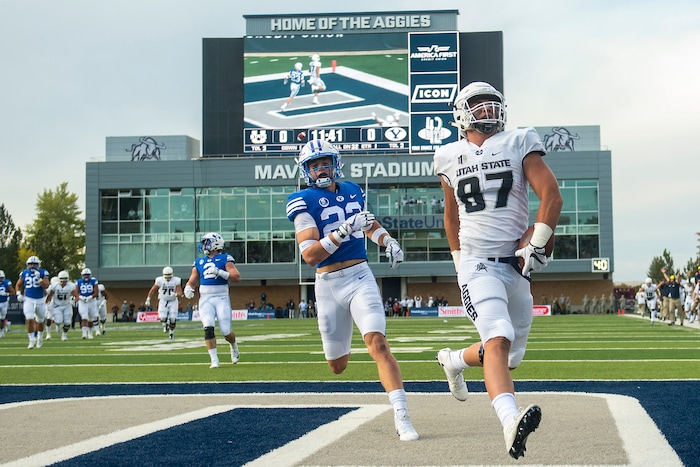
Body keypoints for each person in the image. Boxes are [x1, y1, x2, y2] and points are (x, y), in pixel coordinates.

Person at [433, 81, 562, 459]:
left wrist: (538, 241)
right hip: (477, 262)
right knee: (499, 338)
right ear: (461, 113)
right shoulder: (447, 155)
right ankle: (509, 422)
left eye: (493, 103)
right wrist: (458, 259)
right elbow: (451, 213)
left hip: (516, 263)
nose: (488, 110)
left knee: (507, 356)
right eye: (479, 104)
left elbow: (551, 194)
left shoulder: (519, 140)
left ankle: (454, 360)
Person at [285, 139, 418, 441]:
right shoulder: (301, 200)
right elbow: (310, 255)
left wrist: (388, 240)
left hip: (360, 276)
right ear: (306, 169)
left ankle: (402, 415)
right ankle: (348, 343)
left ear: (336, 162)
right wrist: (345, 228)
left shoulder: (353, 189)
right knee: (337, 366)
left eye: (325, 162)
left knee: (379, 345)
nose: (321, 168)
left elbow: (367, 224)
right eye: (314, 164)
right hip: (328, 285)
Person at [184, 232, 242, 368]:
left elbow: (237, 277)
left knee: (226, 331)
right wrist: (188, 288)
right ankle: (214, 360)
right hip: (205, 299)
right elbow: (192, 280)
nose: (204, 245)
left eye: (206, 242)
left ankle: (233, 346)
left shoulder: (225, 259)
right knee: (208, 327)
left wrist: (219, 272)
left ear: (215, 243)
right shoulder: (199, 261)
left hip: (221, 297)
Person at [15, 256, 51, 348]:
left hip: (40, 299)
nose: (32, 266)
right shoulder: (24, 273)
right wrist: (18, 293)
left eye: (34, 264)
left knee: (40, 321)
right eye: (31, 264)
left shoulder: (43, 272)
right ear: (28, 265)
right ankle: (31, 340)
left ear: (38, 265)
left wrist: (39, 279)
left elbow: (46, 286)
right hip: (28, 299)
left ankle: (39, 337)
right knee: (29, 319)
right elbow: (18, 284)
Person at [146, 266, 183, 339]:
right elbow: (152, 290)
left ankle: (171, 333)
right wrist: (148, 299)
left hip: (173, 301)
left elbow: (180, 293)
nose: (168, 278)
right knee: (162, 317)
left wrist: (175, 294)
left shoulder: (176, 280)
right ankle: (165, 325)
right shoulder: (159, 280)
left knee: (173, 319)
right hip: (163, 301)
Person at [45, 271, 76, 341]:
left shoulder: (71, 285)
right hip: (57, 305)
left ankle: (64, 335)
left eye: (65, 278)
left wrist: (73, 300)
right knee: (58, 321)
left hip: (67, 304)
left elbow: (76, 295)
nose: (64, 280)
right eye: (62, 278)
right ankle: (57, 326)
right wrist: (47, 303)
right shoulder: (55, 285)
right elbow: (50, 295)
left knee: (68, 322)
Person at [72, 268, 99, 339]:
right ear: (82, 275)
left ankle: (90, 333)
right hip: (82, 302)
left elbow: (96, 292)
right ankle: (84, 334)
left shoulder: (94, 281)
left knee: (91, 318)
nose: (86, 276)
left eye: (87, 275)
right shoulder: (78, 282)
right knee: (84, 317)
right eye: (85, 275)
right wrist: (80, 297)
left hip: (91, 301)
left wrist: (90, 297)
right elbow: (76, 293)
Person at [0, 270, 16, 338]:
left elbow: (13, 292)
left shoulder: (6, 282)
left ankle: (2, 330)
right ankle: (5, 326)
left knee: (2, 318)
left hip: (4, 302)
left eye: (1, 277)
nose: (0, 279)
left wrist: (6, 294)